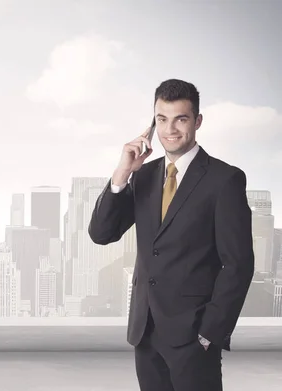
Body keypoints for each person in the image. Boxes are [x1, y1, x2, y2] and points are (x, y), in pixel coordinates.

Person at [88, 78, 255, 391]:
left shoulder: (224, 180)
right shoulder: (144, 175)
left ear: (197, 121)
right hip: (145, 331)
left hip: (194, 336)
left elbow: (239, 264)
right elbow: (102, 233)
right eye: (161, 120)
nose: (170, 130)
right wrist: (122, 173)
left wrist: (211, 331)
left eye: (181, 119)